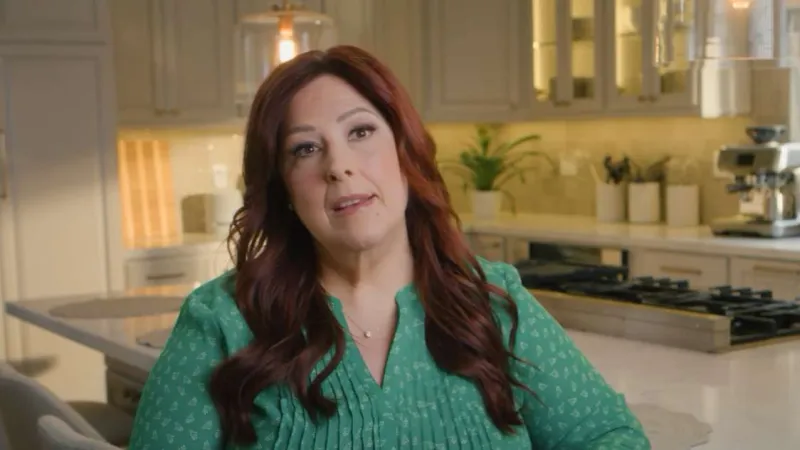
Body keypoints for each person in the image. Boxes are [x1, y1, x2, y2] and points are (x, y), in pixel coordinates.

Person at [128, 45, 651, 450]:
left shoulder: (488, 302)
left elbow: (611, 437)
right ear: (284, 189)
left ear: (405, 153)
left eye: (361, 132)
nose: (338, 165)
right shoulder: (221, 319)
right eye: (305, 148)